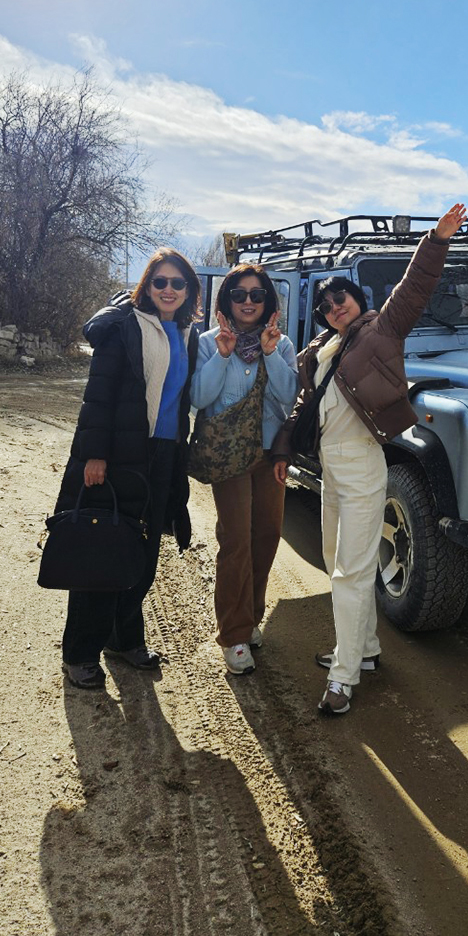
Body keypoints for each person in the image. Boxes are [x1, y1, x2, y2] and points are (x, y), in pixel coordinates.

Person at [273, 203, 467, 715]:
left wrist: (436, 240)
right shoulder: (322, 349)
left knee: (351, 573)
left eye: (341, 297)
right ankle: (366, 649)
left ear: (358, 298)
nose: (335, 306)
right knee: (337, 561)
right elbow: (301, 403)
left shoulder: (383, 329)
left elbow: (414, 289)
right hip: (330, 469)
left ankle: (343, 675)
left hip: (362, 462)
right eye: (326, 303)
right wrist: (283, 449)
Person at [55, 249, 202, 690]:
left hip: (164, 455)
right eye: (160, 282)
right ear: (147, 285)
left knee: (142, 550)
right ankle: (80, 653)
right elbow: (99, 394)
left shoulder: (188, 333)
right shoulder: (124, 326)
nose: (169, 290)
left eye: (178, 283)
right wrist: (95, 454)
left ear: (189, 289)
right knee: (103, 549)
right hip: (119, 452)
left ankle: (123, 639)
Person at [191, 265, 298, 675]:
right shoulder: (208, 342)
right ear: (227, 300)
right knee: (235, 541)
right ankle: (234, 633)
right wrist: (222, 355)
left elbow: (288, 397)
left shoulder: (281, 344)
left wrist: (270, 353)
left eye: (257, 294)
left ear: (267, 300)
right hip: (228, 456)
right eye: (239, 294)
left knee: (266, 536)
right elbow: (200, 398)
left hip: (269, 454)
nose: (248, 301)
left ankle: (251, 617)